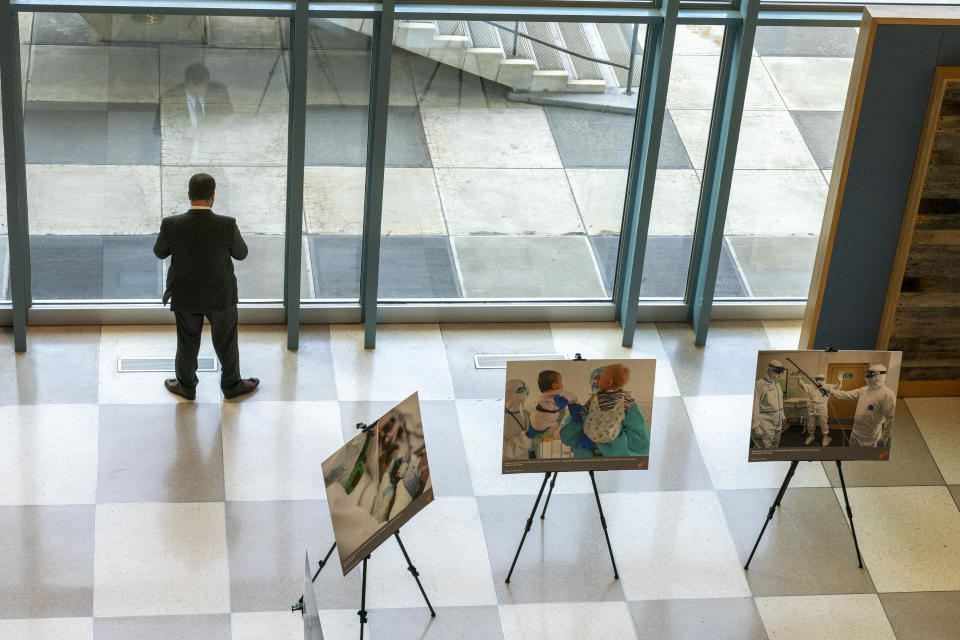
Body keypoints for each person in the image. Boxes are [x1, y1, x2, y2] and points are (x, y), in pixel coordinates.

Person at [153, 173, 259, 400]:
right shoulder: (226, 224)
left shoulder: (171, 224)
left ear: (189, 195)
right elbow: (241, 254)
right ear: (213, 196)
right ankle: (231, 385)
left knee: (187, 342)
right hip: (221, 295)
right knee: (226, 341)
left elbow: (159, 252)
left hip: (185, 294)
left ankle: (186, 386)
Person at [559, 364, 650, 458]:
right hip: (586, 465)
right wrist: (576, 419)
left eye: (600, 378)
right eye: (595, 380)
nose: (597, 382)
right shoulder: (591, 405)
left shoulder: (627, 406)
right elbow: (568, 439)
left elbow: (641, 444)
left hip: (615, 464)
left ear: (610, 382)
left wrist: (600, 443)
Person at [826, 364, 896, 448]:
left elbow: (891, 418)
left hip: (870, 437)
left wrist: (884, 437)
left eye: (870, 374)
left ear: (878, 376)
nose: (868, 376)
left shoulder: (887, 394)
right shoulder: (864, 390)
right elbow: (846, 395)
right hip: (856, 433)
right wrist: (829, 390)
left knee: (865, 458)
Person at [524, 370, 578, 456]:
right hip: (545, 422)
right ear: (555, 385)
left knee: (532, 432)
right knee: (554, 426)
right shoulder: (558, 393)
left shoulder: (542, 396)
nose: (563, 386)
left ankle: (532, 439)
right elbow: (572, 397)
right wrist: (573, 402)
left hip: (535, 419)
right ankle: (544, 436)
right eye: (561, 382)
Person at [798, 372, 839, 446]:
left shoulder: (827, 387)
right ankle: (811, 436)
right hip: (812, 407)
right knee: (811, 423)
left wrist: (840, 381)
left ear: (824, 379)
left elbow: (837, 387)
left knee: (823, 423)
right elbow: (802, 385)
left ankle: (825, 437)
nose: (819, 380)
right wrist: (799, 379)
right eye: (817, 379)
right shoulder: (811, 386)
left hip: (822, 407)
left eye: (821, 379)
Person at [752, 359, 785, 448]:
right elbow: (754, 407)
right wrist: (756, 426)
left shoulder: (777, 384)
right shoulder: (759, 384)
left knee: (775, 445)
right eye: (778, 371)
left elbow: (780, 402)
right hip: (765, 424)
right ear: (769, 370)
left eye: (782, 371)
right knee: (764, 448)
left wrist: (782, 415)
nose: (780, 374)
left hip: (777, 424)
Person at [503, 378, 533, 461]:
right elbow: (505, 451)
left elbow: (533, 442)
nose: (524, 393)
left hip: (525, 460)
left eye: (525, 390)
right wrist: (526, 437)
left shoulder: (526, 414)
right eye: (520, 390)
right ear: (508, 392)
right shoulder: (501, 417)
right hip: (508, 464)